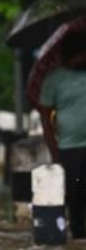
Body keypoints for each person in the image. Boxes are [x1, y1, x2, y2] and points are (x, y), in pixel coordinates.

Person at [39, 31, 86, 239]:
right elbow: (45, 119)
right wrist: (54, 151)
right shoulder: (54, 80)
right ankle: (78, 234)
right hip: (69, 147)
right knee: (74, 196)